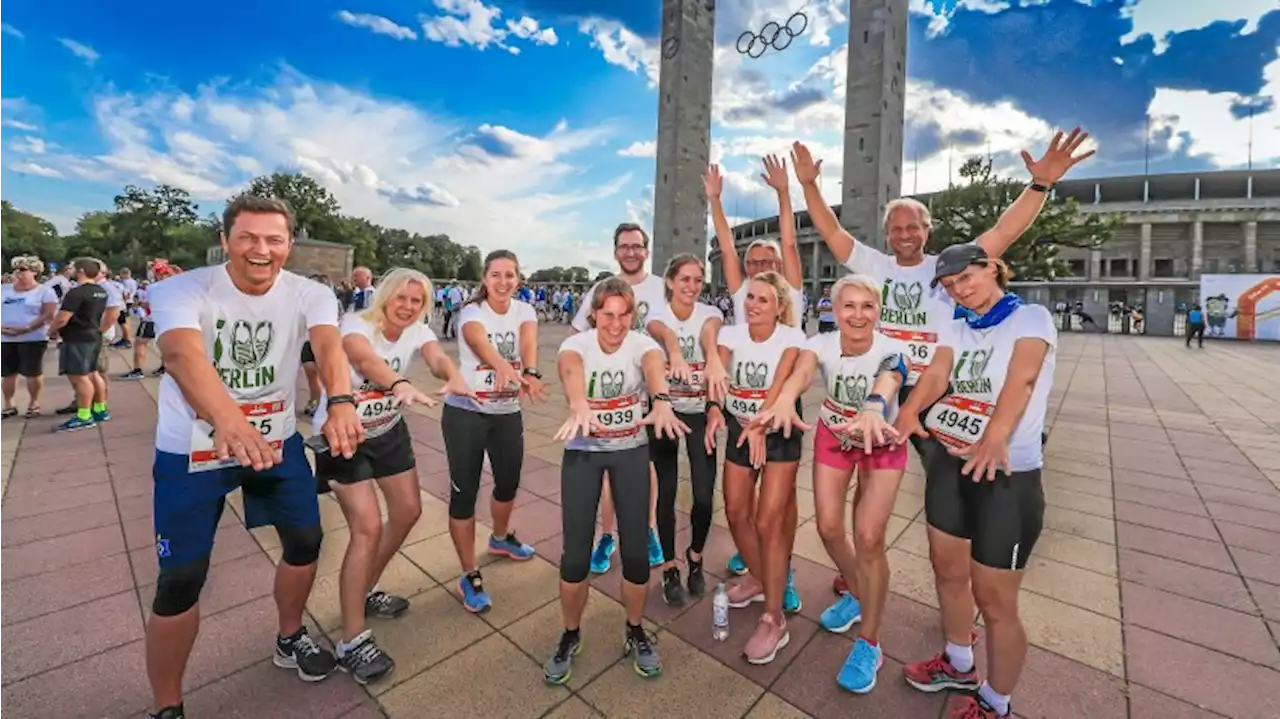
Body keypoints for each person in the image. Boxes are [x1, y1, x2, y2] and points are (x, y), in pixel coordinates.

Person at [791, 128, 1092, 595]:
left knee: (954, 483)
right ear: (887, 235)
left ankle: (971, 585)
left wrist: (1040, 185)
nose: (906, 235)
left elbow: (1004, 232)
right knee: (866, 477)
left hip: (936, 389)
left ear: (927, 231)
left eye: (914, 227)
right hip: (885, 385)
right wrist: (809, 185)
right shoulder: (875, 267)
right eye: (897, 228)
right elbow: (831, 231)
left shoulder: (947, 268)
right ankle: (861, 570)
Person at [143, 195, 365, 719]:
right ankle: (167, 705)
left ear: (289, 244)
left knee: (306, 542)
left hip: (276, 441)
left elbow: (329, 347)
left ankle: (290, 638)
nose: (260, 249)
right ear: (226, 240)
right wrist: (228, 419)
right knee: (180, 580)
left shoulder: (310, 292)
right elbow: (180, 355)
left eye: (273, 239)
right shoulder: (182, 288)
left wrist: (340, 400)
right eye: (247, 237)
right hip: (194, 448)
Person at [894, 243, 1056, 719]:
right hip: (950, 463)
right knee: (946, 568)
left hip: (1006, 473)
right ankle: (959, 661)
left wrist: (996, 436)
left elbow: (1021, 379)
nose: (959, 291)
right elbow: (939, 371)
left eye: (966, 278)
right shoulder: (955, 320)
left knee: (996, 599)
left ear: (992, 269)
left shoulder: (1030, 318)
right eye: (948, 285)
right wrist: (908, 410)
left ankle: (996, 702)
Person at [312, 267, 472, 685]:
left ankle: (363, 591)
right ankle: (351, 640)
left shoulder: (418, 330)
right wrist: (399, 382)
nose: (407, 306)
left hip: (387, 430)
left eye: (416, 301)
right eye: (400, 297)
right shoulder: (356, 322)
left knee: (407, 512)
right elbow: (363, 358)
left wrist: (453, 375)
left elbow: (436, 358)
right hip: (344, 432)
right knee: (365, 528)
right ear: (385, 295)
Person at [751, 274, 909, 692]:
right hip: (835, 435)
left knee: (870, 536)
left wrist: (875, 407)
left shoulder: (892, 348)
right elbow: (802, 372)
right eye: (848, 306)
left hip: (881, 439)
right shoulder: (820, 343)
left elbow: (891, 376)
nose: (858, 315)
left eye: (867, 307)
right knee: (829, 528)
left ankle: (870, 642)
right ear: (834, 311)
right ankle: (860, 594)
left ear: (878, 311)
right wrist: (784, 398)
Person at [543, 277, 689, 685]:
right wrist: (579, 405)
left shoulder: (642, 344)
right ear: (594, 314)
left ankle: (635, 629)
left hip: (630, 452)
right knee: (574, 557)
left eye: (624, 314)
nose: (616, 323)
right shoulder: (577, 344)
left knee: (638, 553)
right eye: (608, 314)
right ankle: (570, 634)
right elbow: (571, 371)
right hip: (584, 455)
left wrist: (660, 401)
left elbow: (654, 369)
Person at [444, 250, 547, 613]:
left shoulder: (525, 311)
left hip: (506, 412)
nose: (503, 282)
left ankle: (500, 538)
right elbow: (477, 341)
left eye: (510, 275)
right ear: (484, 280)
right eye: (496, 275)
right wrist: (504, 366)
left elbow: (529, 342)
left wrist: (530, 372)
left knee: (508, 482)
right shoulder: (471, 311)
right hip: (466, 414)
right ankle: (468, 573)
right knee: (464, 491)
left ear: (518, 279)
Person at [715, 272, 807, 664]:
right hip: (740, 428)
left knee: (769, 521)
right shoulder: (731, 336)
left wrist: (760, 422)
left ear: (780, 307)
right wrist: (714, 410)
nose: (753, 305)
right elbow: (717, 381)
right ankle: (758, 577)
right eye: (750, 297)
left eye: (763, 300)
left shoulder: (791, 338)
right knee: (736, 511)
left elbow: (780, 385)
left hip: (778, 429)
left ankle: (774, 618)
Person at [574, 223, 668, 576]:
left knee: (648, 467)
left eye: (637, 246)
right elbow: (576, 334)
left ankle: (647, 530)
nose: (631, 252)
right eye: (624, 246)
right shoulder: (602, 288)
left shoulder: (661, 288)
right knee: (610, 472)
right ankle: (607, 536)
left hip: (650, 394)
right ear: (615, 251)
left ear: (646, 250)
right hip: (610, 397)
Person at [645, 253, 724, 604]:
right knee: (664, 493)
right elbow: (660, 331)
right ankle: (669, 567)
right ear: (670, 282)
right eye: (685, 280)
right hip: (665, 411)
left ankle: (695, 556)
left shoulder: (710, 314)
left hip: (697, 412)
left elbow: (709, 334)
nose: (691, 287)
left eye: (697, 280)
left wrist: (714, 360)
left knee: (704, 495)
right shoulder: (657, 314)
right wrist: (674, 351)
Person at [48, 259, 110, 432]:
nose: (71, 270)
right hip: (93, 335)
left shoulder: (76, 293)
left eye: (73, 268)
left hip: (77, 337)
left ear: (81, 271)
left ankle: (84, 415)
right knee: (93, 373)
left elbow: (62, 318)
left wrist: (51, 331)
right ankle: (100, 409)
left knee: (79, 377)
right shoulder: (100, 291)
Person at [0, 256, 59, 417]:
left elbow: (48, 314)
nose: (18, 273)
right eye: (16, 270)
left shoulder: (44, 291)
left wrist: (26, 328)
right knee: (7, 373)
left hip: (33, 337)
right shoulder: (4, 289)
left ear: (34, 272)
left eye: (23, 270)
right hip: (5, 337)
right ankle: (8, 404)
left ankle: (34, 403)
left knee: (32, 372)